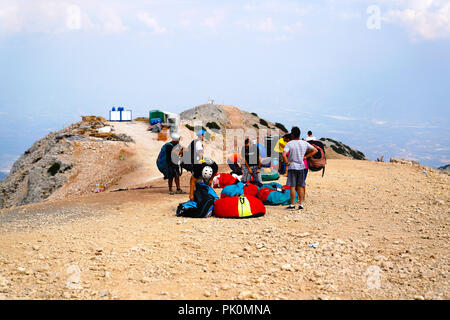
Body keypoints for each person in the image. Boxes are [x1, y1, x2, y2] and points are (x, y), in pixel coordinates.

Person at [282, 127, 317, 210]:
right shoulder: (304, 143)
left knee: (292, 186)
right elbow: (315, 150)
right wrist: (305, 157)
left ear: (292, 134)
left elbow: (284, 155)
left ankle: (292, 204)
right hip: (301, 166)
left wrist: (287, 162)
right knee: (300, 186)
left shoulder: (289, 144)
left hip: (292, 167)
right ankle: (301, 204)